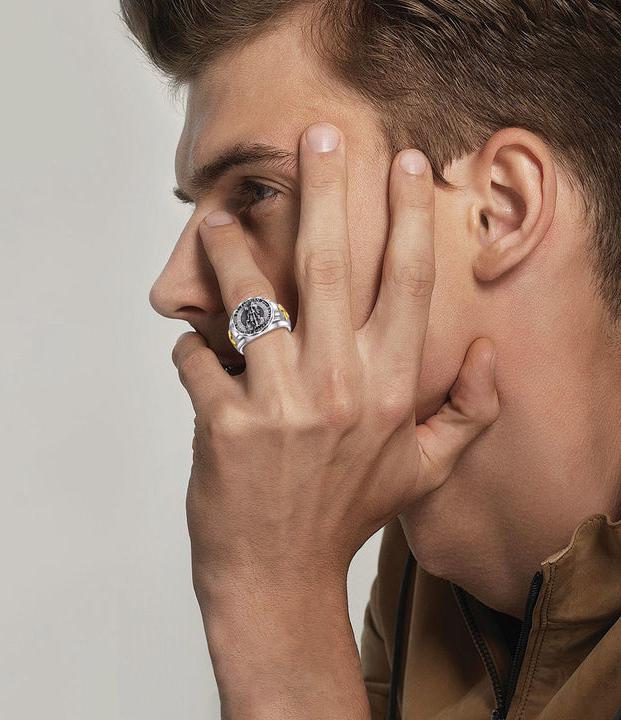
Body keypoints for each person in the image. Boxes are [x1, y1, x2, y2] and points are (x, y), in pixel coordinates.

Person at [122, 0, 621, 717]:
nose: (174, 289)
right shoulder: (419, 577)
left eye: (258, 191)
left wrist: (276, 593)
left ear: (501, 208)